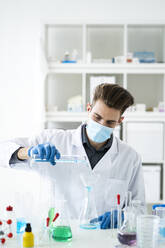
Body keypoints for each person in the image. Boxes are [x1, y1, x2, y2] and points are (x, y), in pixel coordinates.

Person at [0, 83, 145, 229]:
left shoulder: (130, 158)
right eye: (97, 117)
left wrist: (125, 216)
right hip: (58, 236)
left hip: (104, 238)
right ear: (88, 109)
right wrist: (29, 152)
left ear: (120, 121)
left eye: (110, 122)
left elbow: (139, 207)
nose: (101, 125)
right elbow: (3, 150)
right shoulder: (53, 140)